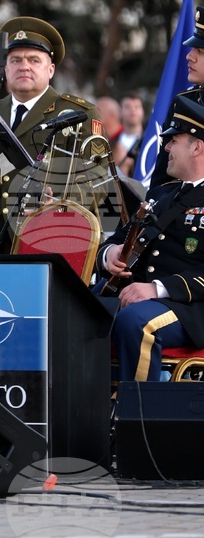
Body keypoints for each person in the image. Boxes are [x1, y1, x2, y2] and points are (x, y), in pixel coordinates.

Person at [0, 16, 103, 256]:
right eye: (16, 60)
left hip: (47, 244)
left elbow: (96, 183)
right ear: (6, 69)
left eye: (34, 60)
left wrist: (55, 202)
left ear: (50, 69)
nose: (24, 66)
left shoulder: (79, 114)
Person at [100, 95, 204, 382]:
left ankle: (138, 419)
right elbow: (117, 239)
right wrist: (109, 256)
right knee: (73, 312)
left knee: (137, 323)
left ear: (197, 147)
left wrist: (157, 289)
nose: (166, 147)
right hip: (133, 296)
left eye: (174, 141)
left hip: (189, 308)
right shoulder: (160, 195)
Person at [115, 93, 144, 175]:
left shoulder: (150, 142)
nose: (133, 110)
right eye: (128, 107)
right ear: (120, 111)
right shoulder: (112, 143)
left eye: (137, 107)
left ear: (143, 111)